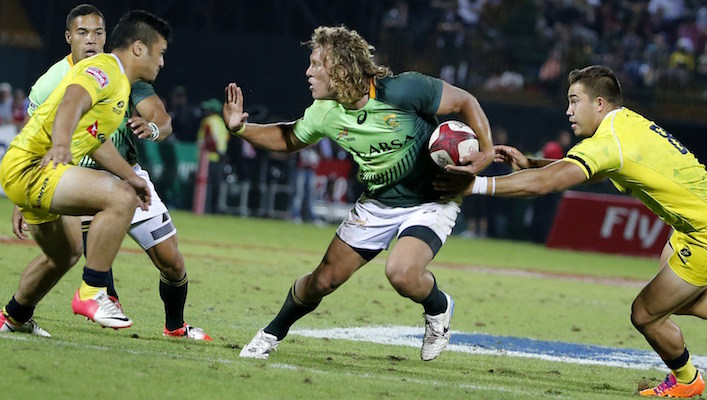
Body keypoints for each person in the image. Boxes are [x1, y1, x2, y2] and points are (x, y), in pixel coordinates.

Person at [448, 65, 707, 397]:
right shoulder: (626, 124)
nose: (568, 111)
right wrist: (532, 162)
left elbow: (546, 184)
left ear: (599, 103)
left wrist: (475, 185)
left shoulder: (609, 141)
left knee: (646, 313)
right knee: (680, 301)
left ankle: (687, 380)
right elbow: (588, 171)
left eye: (574, 101)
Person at [223, 25, 494, 361]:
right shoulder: (324, 112)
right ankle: (272, 333)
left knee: (402, 273)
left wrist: (487, 150)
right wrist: (242, 129)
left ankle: (439, 308)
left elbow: (465, 100)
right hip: (378, 203)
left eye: (315, 64)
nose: (308, 72)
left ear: (339, 68)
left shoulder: (403, 90)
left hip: (432, 197)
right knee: (322, 281)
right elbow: (290, 139)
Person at [10, 5, 210, 341]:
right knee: (70, 252)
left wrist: (153, 129)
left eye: (98, 32)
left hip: (124, 173)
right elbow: (37, 132)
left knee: (172, 263)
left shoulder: (121, 75)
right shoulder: (54, 81)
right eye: (83, 33)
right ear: (69, 37)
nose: (91, 40)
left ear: (108, 36)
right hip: (73, 177)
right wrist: (26, 195)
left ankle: (173, 325)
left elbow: (158, 117)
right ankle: (91, 294)